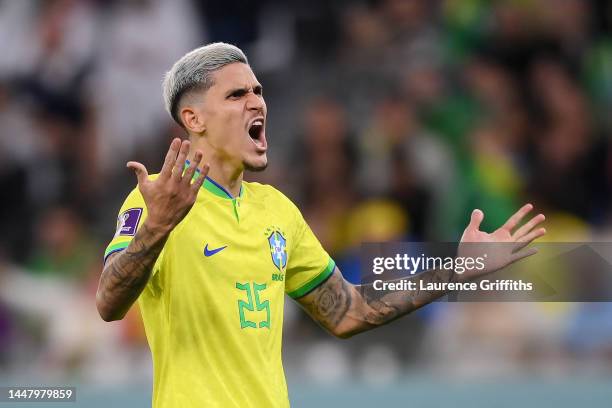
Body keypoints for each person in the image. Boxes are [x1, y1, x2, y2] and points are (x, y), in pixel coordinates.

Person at [96, 42, 546, 408]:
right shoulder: (158, 198)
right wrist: (158, 227)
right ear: (193, 119)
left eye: (258, 90)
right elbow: (109, 302)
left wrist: (457, 270)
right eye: (236, 95)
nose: (256, 102)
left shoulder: (276, 210)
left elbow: (348, 310)